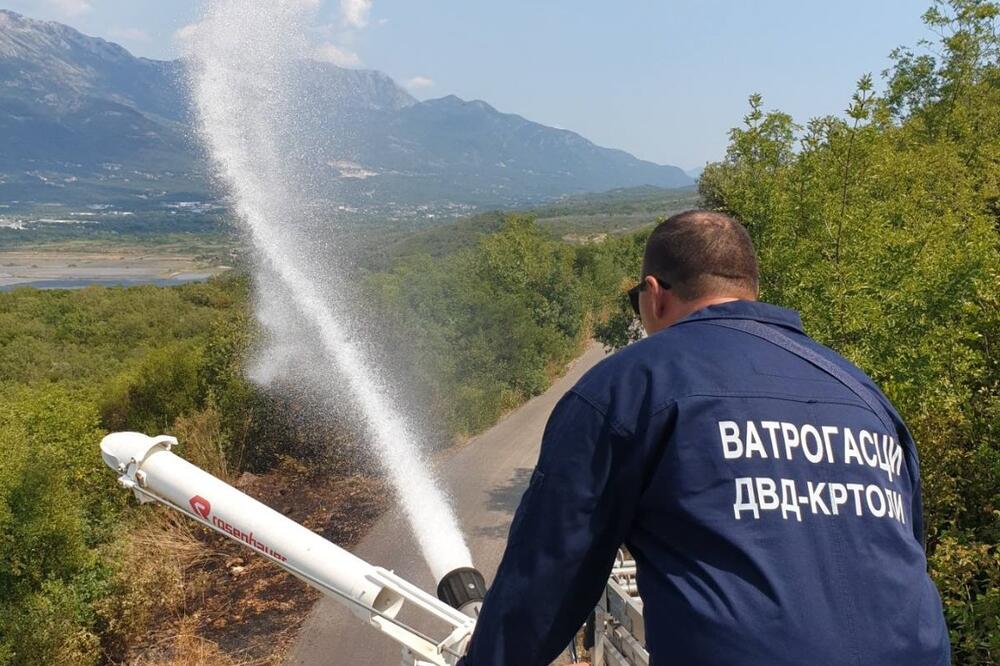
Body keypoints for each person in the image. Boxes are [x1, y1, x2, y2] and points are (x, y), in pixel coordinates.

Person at [458, 210, 950, 666]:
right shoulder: (862, 393)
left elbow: (548, 576)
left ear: (654, 294)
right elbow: (905, 550)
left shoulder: (630, 385)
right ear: (750, 288)